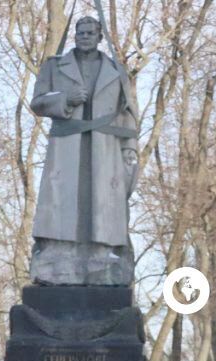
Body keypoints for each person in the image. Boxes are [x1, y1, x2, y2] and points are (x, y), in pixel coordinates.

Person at [29, 15, 140, 285]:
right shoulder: (55, 67)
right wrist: (65, 99)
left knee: (103, 202)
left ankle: (104, 252)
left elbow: (127, 114)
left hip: (105, 147)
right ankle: (60, 252)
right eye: (81, 33)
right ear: (75, 35)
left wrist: (129, 148)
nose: (85, 37)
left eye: (91, 33)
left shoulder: (115, 70)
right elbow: (37, 102)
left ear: (100, 37)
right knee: (63, 199)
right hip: (67, 145)